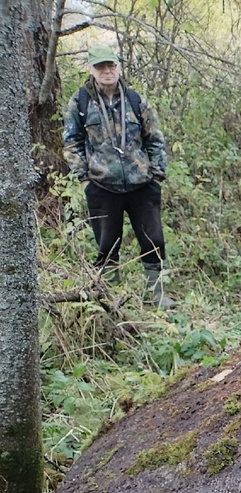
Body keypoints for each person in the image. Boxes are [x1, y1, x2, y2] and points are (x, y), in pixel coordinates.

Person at [63, 45, 172, 308]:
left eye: (111, 65)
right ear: (91, 69)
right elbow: (71, 143)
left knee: (154, 240)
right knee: (107, 245)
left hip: (142, 184)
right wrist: (85, 180)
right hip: (102, 186)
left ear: (118, 67)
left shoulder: (135, 100)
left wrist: (157, 176)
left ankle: (157, 296)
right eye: (101, 67)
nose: (107, 71)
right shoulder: (80, 102)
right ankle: (110, 299)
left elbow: (155, 140)